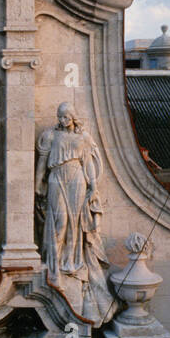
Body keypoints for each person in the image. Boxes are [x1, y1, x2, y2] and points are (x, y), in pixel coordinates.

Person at [36, 103, 111, 320]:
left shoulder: (83, 138)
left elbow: (88, 164)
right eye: (59, 116)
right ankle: (54, 265)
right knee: (59, 222)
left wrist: (93, 187)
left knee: (75, 223)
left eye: (66, 117)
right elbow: (42, 163)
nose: (62, 120)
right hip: (56, 177)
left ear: (73, 117)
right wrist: (37, 183)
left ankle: (70, 263)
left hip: (76, 178)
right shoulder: (50, 136)